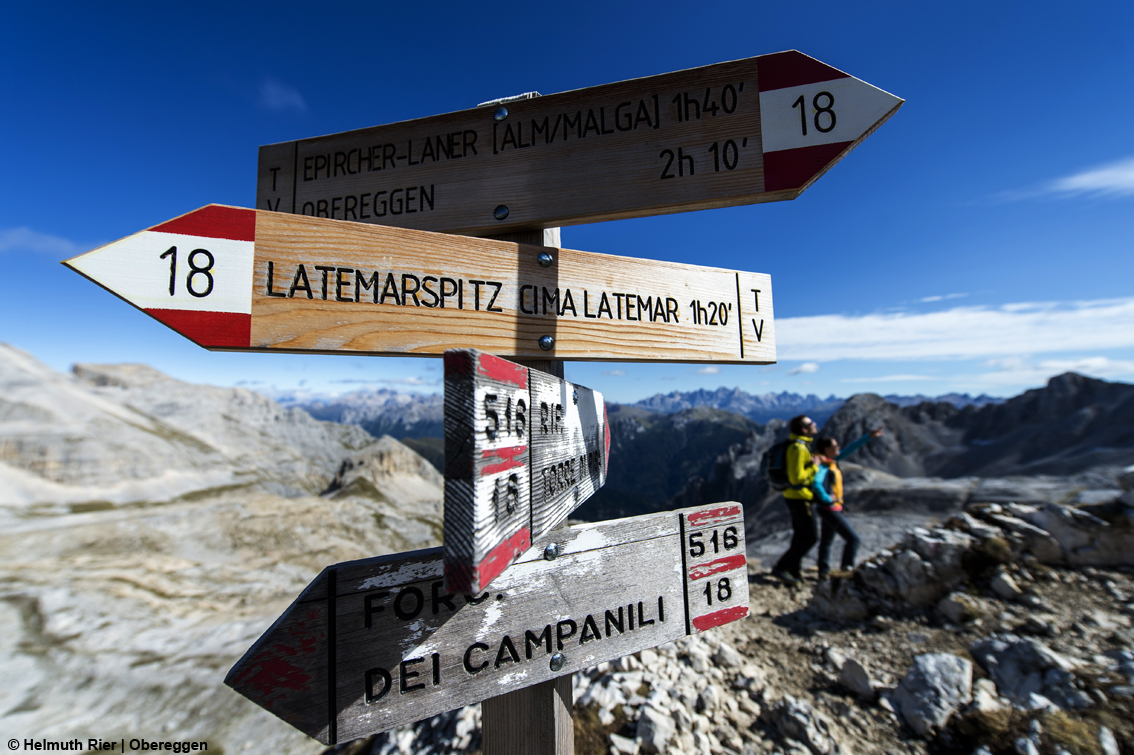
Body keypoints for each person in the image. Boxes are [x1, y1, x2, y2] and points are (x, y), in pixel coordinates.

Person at [810, 427, 884, 580]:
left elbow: (850, 449)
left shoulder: (831, 461)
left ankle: (823, 572)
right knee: (853, 539)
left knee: (826, 542)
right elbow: (815, 483)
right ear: (826, 449)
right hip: (829, 508)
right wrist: (826, 499)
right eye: (835, 446)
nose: (838, 448)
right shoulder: (823, 465)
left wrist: (868, 436)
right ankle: (846, 569)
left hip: (830, 508)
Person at [770, 415, 820, 584]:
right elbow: (796, 477)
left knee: (800, 535)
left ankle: (794, 570)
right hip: (799, 497)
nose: (815, 424)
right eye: (811, 423)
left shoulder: (797, 444)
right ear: (804, 429)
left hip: (794, 497)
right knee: (811, 537)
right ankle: (781, 567)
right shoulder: (798, 448)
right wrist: (814, 467)